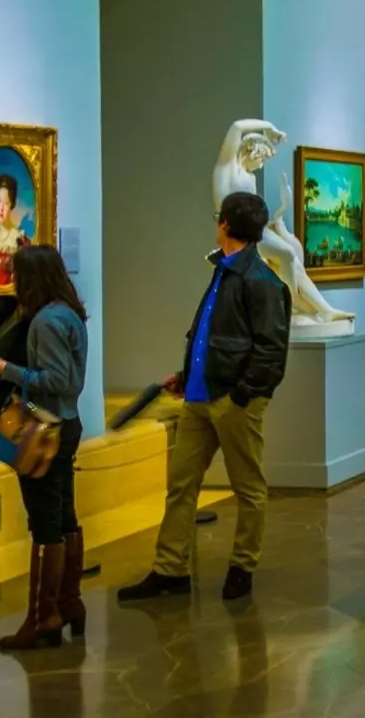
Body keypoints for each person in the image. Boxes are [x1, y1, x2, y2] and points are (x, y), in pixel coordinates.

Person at [120, 191, 291, 604]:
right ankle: (169, 569)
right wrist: (187, 374)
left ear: (226, 225)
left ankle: (242, 566)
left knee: (248, 487)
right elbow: (214, 334)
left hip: (232, 400)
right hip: (198, 396)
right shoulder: (223, 270)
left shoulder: (261, 281)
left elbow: (271, 350)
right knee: (181, 485)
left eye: (218, 218)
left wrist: (242, 396)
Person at [0, 246, 88, 650]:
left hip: (45, 423)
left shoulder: (48, 320)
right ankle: (69, 603)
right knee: (64, 514)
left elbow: (58, 381)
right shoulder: (64, 312)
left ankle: (43, 617)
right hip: (63, 422)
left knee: (44, 522)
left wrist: (3, 369)